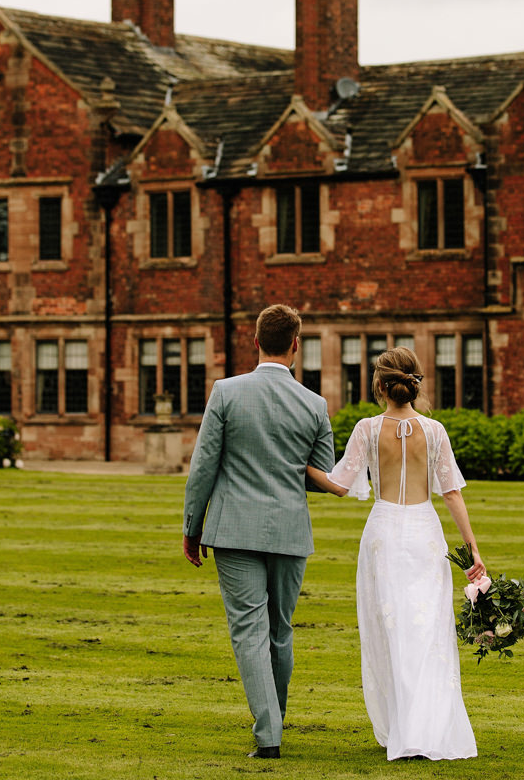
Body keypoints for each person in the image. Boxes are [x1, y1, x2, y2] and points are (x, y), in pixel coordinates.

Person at [306, 346, 485, 761]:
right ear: (414, 382)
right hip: (425, 534)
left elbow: (339, 484)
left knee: (390, 633)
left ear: (380, 385)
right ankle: (428, 728)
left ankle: (404, 728)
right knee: (426, 631)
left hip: (384, 534)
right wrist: (473, 551)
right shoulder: (435, 431)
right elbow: (452, 494)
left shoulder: (367, 429)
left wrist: (301, 466)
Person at [182, 304, 335, 760]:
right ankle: (274, 722)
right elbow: (322, 474)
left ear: (255, 342)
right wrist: (286, 470)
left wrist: (193, 528)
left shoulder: (225, 392)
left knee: (249, 631)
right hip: (289, 528)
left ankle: (269, 734)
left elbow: (202, 467)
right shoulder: (315, 403)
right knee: (279, 632)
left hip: (233, 529)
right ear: (295, 345)